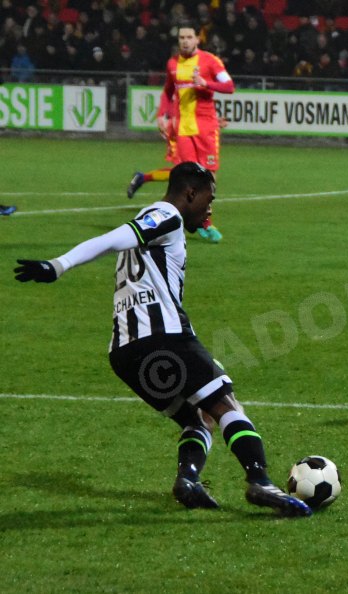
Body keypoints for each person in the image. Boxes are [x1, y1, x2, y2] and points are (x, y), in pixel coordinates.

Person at [14, 162, 312, 517]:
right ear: (189, 193)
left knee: (197, 419)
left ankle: (188, 480)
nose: (211, 208)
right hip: (164, 339)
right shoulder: (165, 215)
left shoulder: (155, 220)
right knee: (226, 405)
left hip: (125, 354)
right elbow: (112, 238)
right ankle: (259, 481)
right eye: (209, 198)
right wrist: (58, 265)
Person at [127, 21, 234, 244]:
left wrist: (206, 83)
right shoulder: (173, 64)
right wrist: (161, 115)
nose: (185, 41)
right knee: (184, 177)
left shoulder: (210, 61)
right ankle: (202, 223)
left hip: (206, 128)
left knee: (209, 177)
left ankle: (198, 219)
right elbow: (167, 92)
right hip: (183, 128)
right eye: (181, 38)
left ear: (197, 39)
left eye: (189, 37)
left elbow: (229, 86)